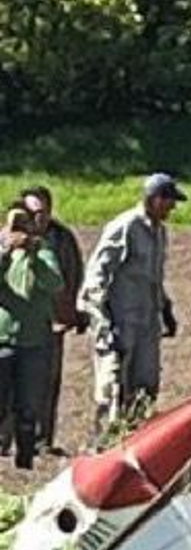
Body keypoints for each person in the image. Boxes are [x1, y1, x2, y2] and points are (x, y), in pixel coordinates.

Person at [78, 172, 182, 442]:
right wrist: (103, 323)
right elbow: (95, 278)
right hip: (120, 322)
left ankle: (135, 443)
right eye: (170, 201)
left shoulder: (159, 232)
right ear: (155, 199)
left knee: (145, 388)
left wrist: (166, 309)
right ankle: (105, 446)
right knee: (113, 388)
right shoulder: (124, 227)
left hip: (147, 322)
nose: (173, 207)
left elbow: (153, 278)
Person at [21, 186, 86, 454]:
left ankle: (43, 439)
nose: (39, 219)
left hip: (50, 321)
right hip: (15, 323)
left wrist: (72, 310)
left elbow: (73, 273)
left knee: (48, 381)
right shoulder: (8, 237)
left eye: (43, 212)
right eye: (33, 213)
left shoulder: (61, 239)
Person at [0, 201, 64, 469]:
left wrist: (33, 254)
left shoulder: (44, 253)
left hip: (34, 339)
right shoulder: (3, 253)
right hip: (4, 338)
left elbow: (55, 283)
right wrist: (5, 252)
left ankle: (25, 457)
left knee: (28, 405)